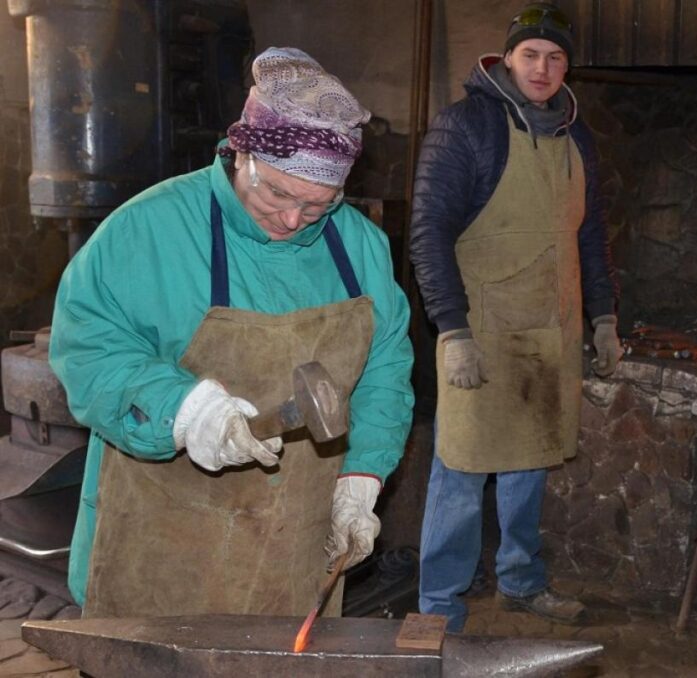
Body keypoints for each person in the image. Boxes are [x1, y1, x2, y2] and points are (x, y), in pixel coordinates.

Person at [48, 47, 414, 617]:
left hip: (293, 550)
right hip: (162, 545)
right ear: (239, 151)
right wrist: (184, 410)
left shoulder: (360, 248)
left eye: (318, 205)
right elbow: (88, 349)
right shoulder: (150, 229)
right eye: (277, 193)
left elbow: (386, 366)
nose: (292, 220)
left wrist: (363, 475)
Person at [409, 2, 621, 632]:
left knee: (532, 459)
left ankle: (521, 581)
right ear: (506, 58)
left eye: (556, 58)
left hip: (550, 329)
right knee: (462, 466)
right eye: (531, 54)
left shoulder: (574, 132)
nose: (543, 68)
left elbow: (590, 235)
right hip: (484, 330)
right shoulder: (466, 124)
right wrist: (452, 330)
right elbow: (427, 232)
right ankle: (437, 609)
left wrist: (604, 316)